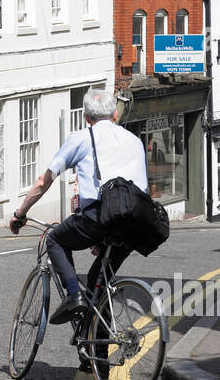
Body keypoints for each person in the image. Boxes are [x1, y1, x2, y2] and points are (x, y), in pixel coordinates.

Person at [9, 87, 148, 327]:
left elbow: (44, 181)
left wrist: (20, 214)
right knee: (99, 284)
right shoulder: (134, 140)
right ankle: (95, 359)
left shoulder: (82, 138)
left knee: (55, 240)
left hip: (99, 216)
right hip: (136, 222)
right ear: (115, 115)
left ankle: (73, 296)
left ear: (86, 118)